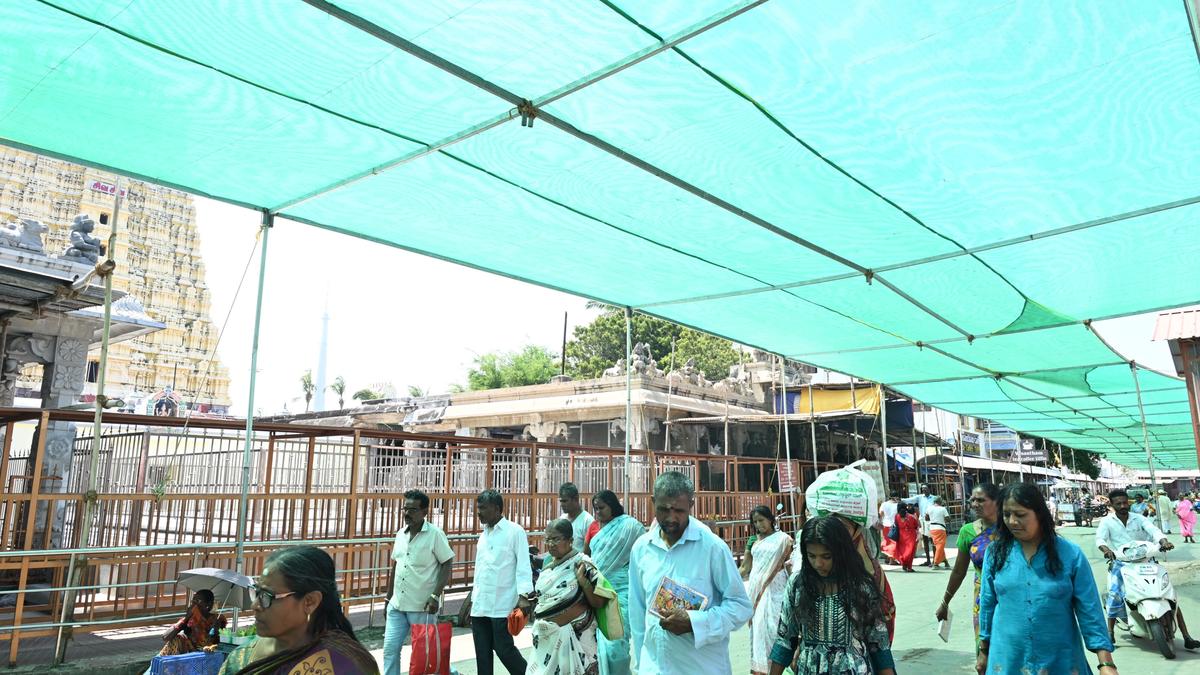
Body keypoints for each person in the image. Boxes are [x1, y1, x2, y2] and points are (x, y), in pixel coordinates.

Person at [977, 484, 1115, 675]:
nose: (1012, 521)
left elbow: (1089, 610)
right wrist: (983, 651)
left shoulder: (1071, 554)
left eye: (1020, 514)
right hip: (1008, 659)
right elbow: (987, 604)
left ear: (1039, 514)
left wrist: (1106, 663)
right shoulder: (995, 553)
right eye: (1007, 514)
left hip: (1061, 660)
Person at [628, 471, 752, 675]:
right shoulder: (641, 549)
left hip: (701, 668)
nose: (671, 518)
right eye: (663, 509)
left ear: (691, 505)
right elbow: (638, 613)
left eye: (679, 510)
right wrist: (642, 666)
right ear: (653, 502)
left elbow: (740, 607)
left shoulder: (713, 548)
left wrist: (694, 623)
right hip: (654, 668)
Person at [218, 546, 378, 675]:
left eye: (267, 596)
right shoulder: (240, 659)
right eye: (257, 592)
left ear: (310, 602)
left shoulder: (345, 665)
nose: (255, 606)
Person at [768, 516, 895, 675]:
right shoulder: (797, 584)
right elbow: (785, 640)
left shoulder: (862, 587)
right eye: (811, 556)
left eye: (826, 556)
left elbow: (879, 645)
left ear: (842, 553)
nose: (818, 563)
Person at [1096, 489, 1184, 647]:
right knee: (1115, 593)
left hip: (1145, 560)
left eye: (1125, 502)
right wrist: (1106, 550)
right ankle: (1110, 632)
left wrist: (1163, 541)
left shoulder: (1138, 518)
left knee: (1169, 593)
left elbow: (1154, 531)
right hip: (1122, 563)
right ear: (1112, 504)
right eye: (1119, 504)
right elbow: (1100, 539)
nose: (1123, 506)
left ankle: (1187, 636)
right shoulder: (1107, 522)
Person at [460, 489, 533, 675]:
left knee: (504, 649)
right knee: (482, 654)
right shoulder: (484, 535)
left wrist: (524, 597)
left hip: (502, 605)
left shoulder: (515, 532)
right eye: (478, 508)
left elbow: (523, 566)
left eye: (483, 508)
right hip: (481, 606)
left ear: (497, 508)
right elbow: (480, 572)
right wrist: (472, 602)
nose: (478, 512)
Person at [383, 489, 454, 675]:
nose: (407, 513)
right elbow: (396, 566)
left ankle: (450, 672)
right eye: (405, 509)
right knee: (390, 650)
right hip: (397, 605)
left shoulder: (435, 534)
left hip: (422, 606)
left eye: (412, 510)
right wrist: (388, 598)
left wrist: (435, 596)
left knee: (424, 653)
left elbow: (447, 563)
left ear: (424, 512)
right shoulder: (400, 534)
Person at [529, 519, 608, 675]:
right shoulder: (547, 567)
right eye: (548, 539)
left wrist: (583, 582)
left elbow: (599, 602)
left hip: (579, 637)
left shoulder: (583, 563)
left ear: (570, 541)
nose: (551, 544)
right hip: (548, 638)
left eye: (556, 539)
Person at [935, 483, 1000, 653]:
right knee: (984, 653)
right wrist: (945, 602)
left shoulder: (1011, 529)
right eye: (972, 500)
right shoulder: (967, 532)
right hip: (983, 601)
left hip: (1011, 598)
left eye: (981, 500)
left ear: (997, 502)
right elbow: (958, 571)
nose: (975, 504)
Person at [584, 489, 644, 675]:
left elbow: (642, 556)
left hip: (623, 590)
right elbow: (587, 556)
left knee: (616, 645)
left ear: (613, 506)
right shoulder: (594, 527)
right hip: (597, 590)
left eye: (602, 508)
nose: (598, 512)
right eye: (595, 509)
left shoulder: (631, 526)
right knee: (595, 644)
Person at [744, 506, 793, 675]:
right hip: (757, 590)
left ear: (771, 519)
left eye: (761, 520)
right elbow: (746, 566)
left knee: (775, 629)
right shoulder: (752, 540)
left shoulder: (783, 540)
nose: (758, 525)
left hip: (778, 588)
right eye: (755, 522)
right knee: (758, 630)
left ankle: (780, 668)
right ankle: (761, 669)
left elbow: (789, 566)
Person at [159, 589, 226, 656]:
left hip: (208, 654)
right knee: (178, 638)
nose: (194, 604)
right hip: (189, 655)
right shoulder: (190, 619)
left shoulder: (218, 619)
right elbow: (165, 637)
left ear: (208, 604)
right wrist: (186, 618)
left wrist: (215, 630)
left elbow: (220, 644)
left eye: (197, 601)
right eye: (193, 601)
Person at [560, 482, 596, 553]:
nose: (562, 504)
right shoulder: (562, 519)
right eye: (561, 501)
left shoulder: (588, 521)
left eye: (565, 501)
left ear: (576, 499)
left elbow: (591, 551)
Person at [893, 502, 919, 572]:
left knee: (902, 550)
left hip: (901, 535)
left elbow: (896, 524)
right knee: (911, 551)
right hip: (911, 535)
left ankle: (903, 563)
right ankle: (909, 567)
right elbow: (916, 525)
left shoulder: (897, 516)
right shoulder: (911, 516)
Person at [926, 496, 950, 570]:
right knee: (940, 546)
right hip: (940, 528)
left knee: (939, 545)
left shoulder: (929, 508)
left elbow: (926, 518)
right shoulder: (943, 509)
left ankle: (945, 561)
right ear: (940, 502)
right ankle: (935, 563)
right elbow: (948, 519)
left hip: (932, 528)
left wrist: (933, 518)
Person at [878, 497, 899, 565]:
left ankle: (888, 558)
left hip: (885, 525)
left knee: (887, 541)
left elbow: (880, 514)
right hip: (894, 526)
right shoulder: (897, 505)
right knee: (893, 543)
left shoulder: (884, 504)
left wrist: (880, 522)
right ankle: (891, 560)